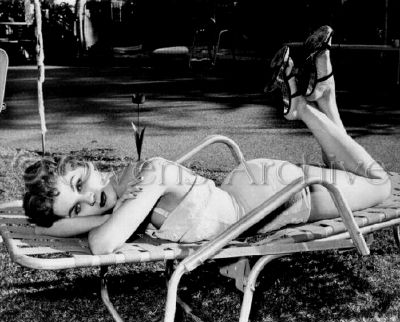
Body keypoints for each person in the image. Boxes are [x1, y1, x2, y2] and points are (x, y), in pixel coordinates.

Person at [23, 26, 391, 255]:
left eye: (79, 184)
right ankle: (325, 97)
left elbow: (102, 243)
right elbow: (50, 226)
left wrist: (79, 221)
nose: (89, 199)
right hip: (252, 193)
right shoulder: (127, 192)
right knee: (346, 173)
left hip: (275, 199)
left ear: (87, 166)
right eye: (77, 208)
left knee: (380, 184)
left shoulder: (142, 183)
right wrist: (63, 220)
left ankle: (305, 110)